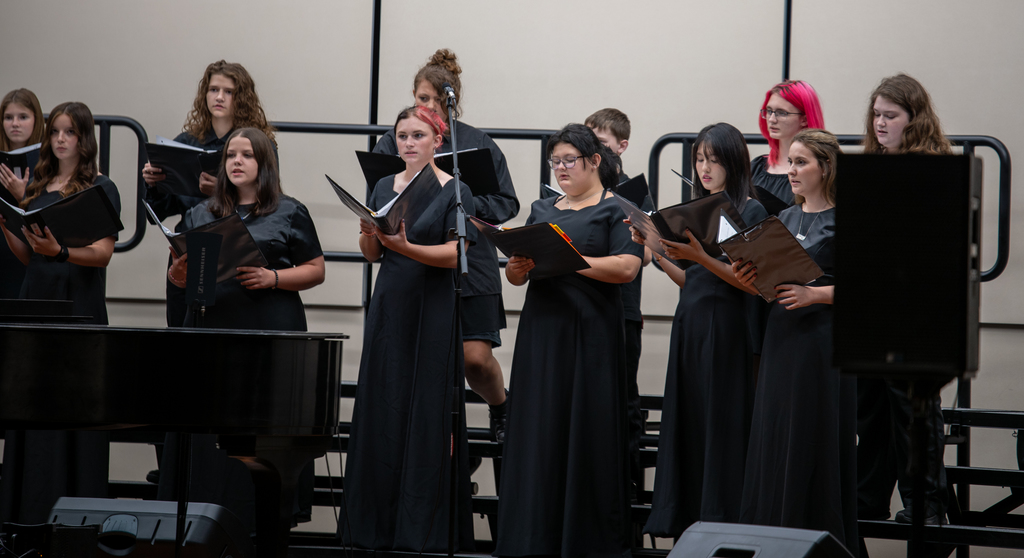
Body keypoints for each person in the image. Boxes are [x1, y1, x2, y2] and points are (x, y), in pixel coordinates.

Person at [161, 127, 324, 530]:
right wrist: (179, 276)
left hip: (268, 329)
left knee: (261, 428)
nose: (235, 161)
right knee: (209, 426)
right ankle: (204, 516)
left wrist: (274, 277)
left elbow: (316, 270)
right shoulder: (201, 213)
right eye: (230, 155)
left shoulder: (289, 211)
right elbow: (185, 279)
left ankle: (263, 516)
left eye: (246, 155)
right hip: (213, 329)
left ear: (263, 164)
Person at [495, 124, 642, 557]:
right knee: (540, 430)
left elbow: (626, 269)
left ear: (595, 161)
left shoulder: (618, 209)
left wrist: (569, 261)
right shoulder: (542, 209)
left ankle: (584, 541)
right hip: (543, 332)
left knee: (586, 431)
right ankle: (532, 537)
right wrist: (518, 268)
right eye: (555, 162)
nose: (560, 169)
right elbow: (517, 275)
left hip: (591, 334)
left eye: (568, 161)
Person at [342, 106, 477, 551]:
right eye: (402, 136)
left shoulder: (455, 189)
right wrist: (370, 233)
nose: (408, 143)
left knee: (425, 410)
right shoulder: (384, 185)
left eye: (418, 135)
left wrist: (405, 245)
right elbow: (372, 255)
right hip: (391, 304)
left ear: (438, 140)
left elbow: (457, 256)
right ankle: (374, 529)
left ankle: (421, 531)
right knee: (385, 404)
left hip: (433, 306)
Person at [373, 48, 518, 441]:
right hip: (415, 263)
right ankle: (442, 441)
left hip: (468, 255)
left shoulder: (476, 141)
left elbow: (507, 202)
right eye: (422, 98)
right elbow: (382, 193)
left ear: (452, 103)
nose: (429, 105)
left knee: (474, 358)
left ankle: (502, 406)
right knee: (425, 361)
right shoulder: (394, 140)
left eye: (438, 99)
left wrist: (459, 204)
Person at [640, 123, 768, 537]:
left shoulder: (750, 209)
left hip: (727, 328)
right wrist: (661, 251)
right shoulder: (697, 206)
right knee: (689, 423)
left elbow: (749, 282)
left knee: (720, 424)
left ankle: (721, 522)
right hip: (691, 325)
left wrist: (699, 255)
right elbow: (694, 283)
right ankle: (686, 520)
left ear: (733, 160)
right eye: (698, 158)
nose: (705, 166)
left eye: (713, 158)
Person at [735, 128, 858, 555]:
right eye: (789, 162)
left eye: (801, 162)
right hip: (781, 339)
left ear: (826, 167)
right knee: (774, 435)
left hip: (821, 343)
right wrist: (748, 279)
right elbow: (767, 285)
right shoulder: (783, 219)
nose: (791, 171)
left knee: (813, 436)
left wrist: (816, 294)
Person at [0, 101, 119, 523]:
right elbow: (30, 256)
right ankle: (27, 515)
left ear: (85, 138)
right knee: (33, 407)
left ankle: (76, 521)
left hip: (78, 304)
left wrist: (62, 251)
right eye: (55, 133)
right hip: (38, 299)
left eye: (70, 132)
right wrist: (8, 223)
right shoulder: (40, 183)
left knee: (74, 409)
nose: (61, 140)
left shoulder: (100, 186)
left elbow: (103, 254)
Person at [857, 73, 952, 527]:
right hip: (874, 307)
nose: (879, 124)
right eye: (876, 115)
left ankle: (926, 506)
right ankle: (867, 499)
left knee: (912, 411)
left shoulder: (932, 167)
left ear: (914, 119)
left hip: (916, 310)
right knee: (870, 410)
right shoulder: (873, 167)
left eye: (890, 116)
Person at [144, 60, 277, 327]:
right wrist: (153, 184)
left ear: (242, 98)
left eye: (228, 91)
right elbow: (158, 211)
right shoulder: (186, 142)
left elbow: (266, 198)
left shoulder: (258, 143)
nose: (219, 97)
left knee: (226, 330)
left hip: (235, 249)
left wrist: (218, 191)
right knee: (184, 328)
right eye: (213, 89)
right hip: (190, 249)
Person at [585, 108, 651, 503]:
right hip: (576, 304)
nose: (596, 153)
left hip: (621, 308)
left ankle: (626, 494)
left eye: (604, 145)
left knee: (623, 398)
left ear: (622, 146)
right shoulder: (568, 185)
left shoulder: (633, 190)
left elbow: (645, 256)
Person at [0, 88, 45, 298]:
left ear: (36, 120)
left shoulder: (48, 159)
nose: (15, 124)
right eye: (8, 117)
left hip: (28, 245)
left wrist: (22, 196)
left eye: (23, 117)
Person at [752, 80, 825, 207]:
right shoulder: (755, 168)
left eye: (782, 113)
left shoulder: (818, 173)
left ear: (804, 119)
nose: (772, 119)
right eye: (769, 111)